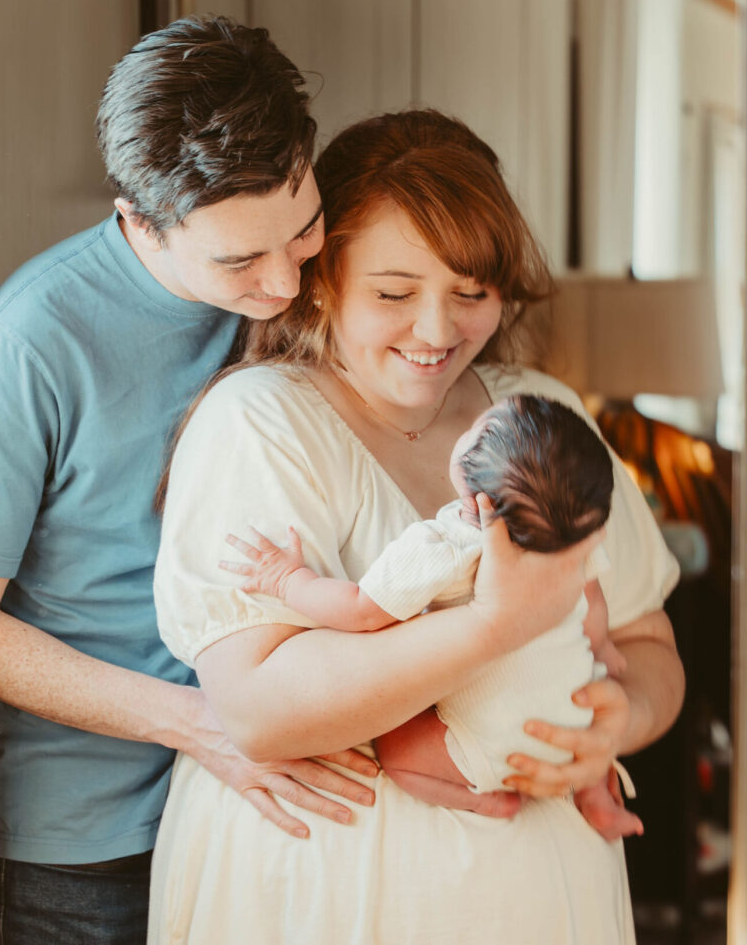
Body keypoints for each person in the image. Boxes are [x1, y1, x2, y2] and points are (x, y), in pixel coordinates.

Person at [150, 109, 684, 943]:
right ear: (322, 278)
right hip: (325, 902)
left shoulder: (544, 416)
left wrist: (622, 718)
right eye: (394, 294)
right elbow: (259, 709)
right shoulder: (259, 421)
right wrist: (495, 626)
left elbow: (648, 644)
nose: (437, 331)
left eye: (471, 293)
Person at [0, 16, 384, 945]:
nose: (283, 285)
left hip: (258, 801)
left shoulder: (315, 285)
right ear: (137, 220)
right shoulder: (30, 342)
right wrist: (206, 725)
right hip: (84, 843)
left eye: (301, 233)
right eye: (238, 260)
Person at [221, 392, 644, 840]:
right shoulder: (569, 549)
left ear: (472, 491)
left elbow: (360, 610)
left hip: (492, 747)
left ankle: (484, 800)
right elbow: (594, 611)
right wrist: (604, 650)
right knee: (583, 692)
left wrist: (288, 580)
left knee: (396, 750)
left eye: (482, 425)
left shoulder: (444, 546)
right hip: (573, 730)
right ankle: (596, 798)